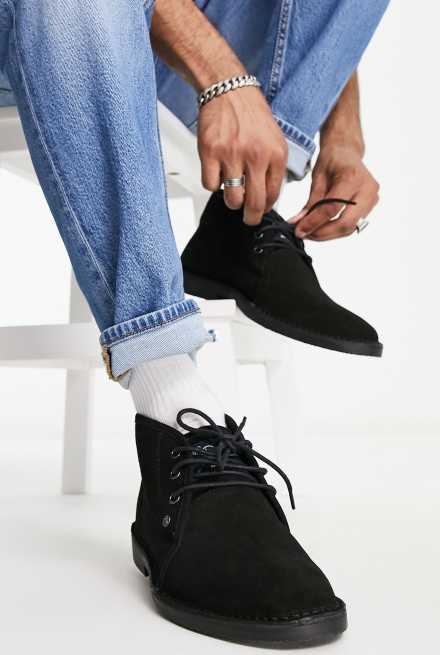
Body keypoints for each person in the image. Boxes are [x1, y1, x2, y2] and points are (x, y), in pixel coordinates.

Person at [0, 0, 389, 647]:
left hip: (146, 43)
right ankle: (173, 401)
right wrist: (222, 78)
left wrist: (341, 134)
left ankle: (243, 214)